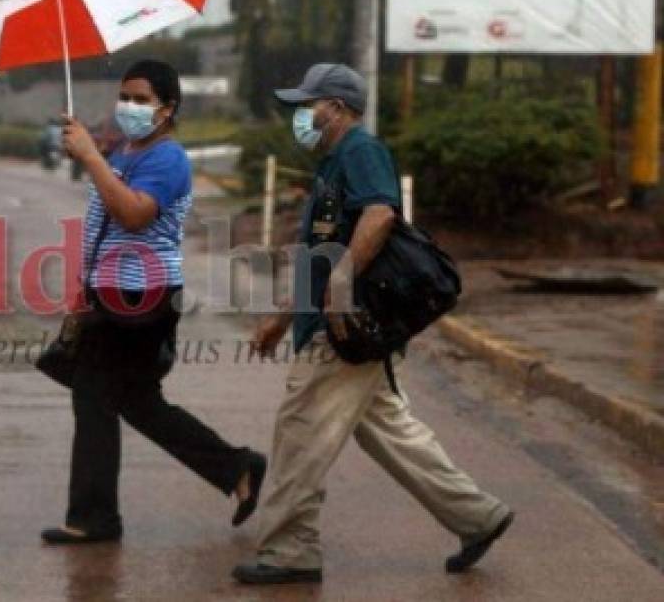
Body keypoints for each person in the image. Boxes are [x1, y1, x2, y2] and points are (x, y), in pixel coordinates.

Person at [232, 63, 513, 586]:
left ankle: (291, 550)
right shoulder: (331, 165)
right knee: (390, 432)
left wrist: (338, 287)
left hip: (345, 329)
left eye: (308, 105)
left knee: (301, 431)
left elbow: (380, 215)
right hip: (343, 322)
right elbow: (316, 252)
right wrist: (280, 317)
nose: (302, 115)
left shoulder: (360, 151)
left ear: (336, 108)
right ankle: (478, 516)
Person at [41, 59, 267, 544]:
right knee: (138, 401)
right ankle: (236, 468)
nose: (130, 107)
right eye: (125, 97)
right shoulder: (125, 152)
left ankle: (95, 517)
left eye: (142, 100)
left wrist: (92, 158)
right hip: (114, 292)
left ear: (168, 108)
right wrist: (87, 287)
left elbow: (136, 215)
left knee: (95, 393)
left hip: (141, 296)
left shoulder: (167, 159)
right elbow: (105, 226)